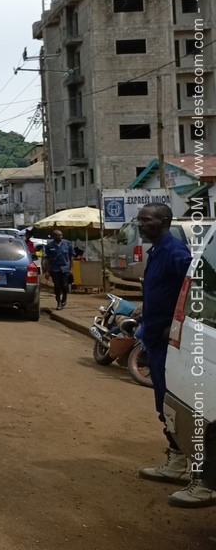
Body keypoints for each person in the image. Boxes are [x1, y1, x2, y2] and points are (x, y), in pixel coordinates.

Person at [133, 203, 210, 507]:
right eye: (139, 219)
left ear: (164, 221)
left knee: (180, 408)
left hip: (171, 344)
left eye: (147, 219)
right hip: (154, 340)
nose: (141, 224)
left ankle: (200, 475)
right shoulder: (157, 251)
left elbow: (196, 288)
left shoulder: (175, 253)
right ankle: (177, 461)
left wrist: (176, 322)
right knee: (164, 406)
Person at [44, 229, 75, 310]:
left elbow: (71, 256)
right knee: (57, 286)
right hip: (55, 269)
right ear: (54, 236)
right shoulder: (49, 246)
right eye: (58, 235)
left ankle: (64, 298)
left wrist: (71, 268)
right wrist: (47, 271)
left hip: (65, 269)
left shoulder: (67, 243)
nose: (61, 237)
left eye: (61, 235)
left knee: (64, 285)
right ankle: (59, 302)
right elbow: (47, 259)